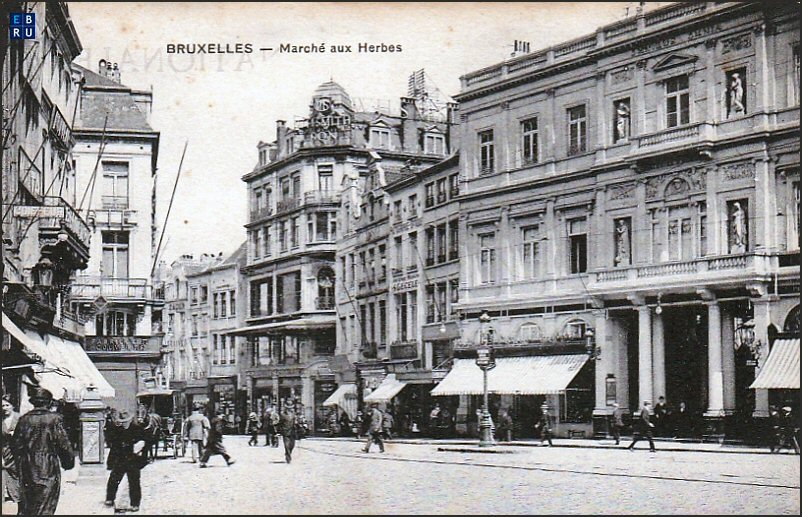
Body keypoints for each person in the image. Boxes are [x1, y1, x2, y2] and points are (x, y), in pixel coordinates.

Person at [12, 387, 74, 515]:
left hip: (27, 466)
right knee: (46, 504)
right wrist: (68, 462)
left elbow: (15, 446)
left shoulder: (24, 419)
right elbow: (63, 444)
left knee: (28, 505)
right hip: (47, 466)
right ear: (49, 402)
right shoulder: (54, 419)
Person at [104, 409, 148, 512]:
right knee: (114, 479)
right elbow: (113, 447)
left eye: (125, 421)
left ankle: (135, 504)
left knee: (134, 482)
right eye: (122, 421)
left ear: (130, 420)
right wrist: (110, 461)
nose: (123, 423)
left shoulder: (137, 429)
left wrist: (140, 448)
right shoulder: (117, 430)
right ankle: (110, 498)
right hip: (121, 459)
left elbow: (145, 443)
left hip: (133, 460)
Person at [2, 396, 21, 503]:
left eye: (7, 405)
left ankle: (18, 498)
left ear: (12, 406)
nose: (5, 408)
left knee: (18, 474)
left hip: (19, 452)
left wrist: (17, 435)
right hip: (5, 452)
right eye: (2, 406)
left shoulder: (20, 418)